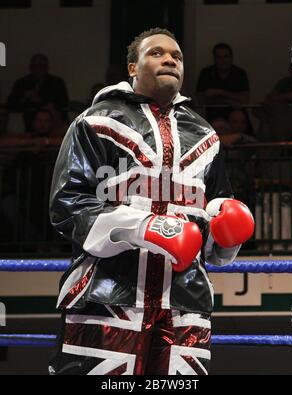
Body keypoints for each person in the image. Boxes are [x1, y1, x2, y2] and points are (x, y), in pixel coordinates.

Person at [49, 28, 254, 376]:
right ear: (132, 68)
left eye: (177, 56)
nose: (170, 59)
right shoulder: (96, 122)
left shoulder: (206, 136)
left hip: (185, 304)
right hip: (107, 297)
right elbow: (68, 206)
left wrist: (226, 230)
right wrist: (145, 228)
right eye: (157, 53)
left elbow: (214, 223)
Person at [6, 53, 69, 132]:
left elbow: (63, 103)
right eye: (35, 65)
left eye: (41, 65)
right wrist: (25, 98)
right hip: (29, 119)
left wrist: (42, 100)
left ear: (47, 67)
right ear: (30, 67)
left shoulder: (57, 82)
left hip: (51, 120)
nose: (38, 68)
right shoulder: (22, 83)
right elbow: (10, 104)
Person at [196, 43, 250, 121]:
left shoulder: (239, 73)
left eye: (226, 56)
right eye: (219, 57)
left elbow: (245, 99)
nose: (223, 60)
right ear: (214, 59)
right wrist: (228, 101)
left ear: (231, 58)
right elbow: (200, 100)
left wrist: (219, 92)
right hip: (213, 117)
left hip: (236, 118)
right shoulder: (206, 73)